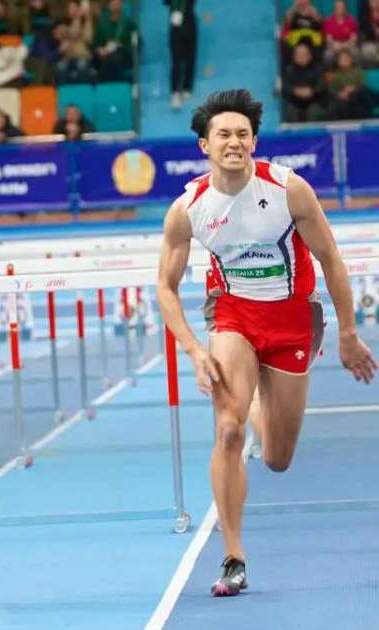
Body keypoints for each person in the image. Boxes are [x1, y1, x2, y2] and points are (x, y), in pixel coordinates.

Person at [155, 89, 375, 598]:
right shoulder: (188, 208)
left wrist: (347, 332)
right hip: (232, 315)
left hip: (292, 320)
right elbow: (165, 288)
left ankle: (253, 395)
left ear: (254, 141)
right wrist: (193, 348)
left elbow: (332, 259)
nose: (233, 142)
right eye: (223, 135)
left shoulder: (288, 190)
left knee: (277, 457)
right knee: (228, 432)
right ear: (204, 145)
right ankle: (233, 555)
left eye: (242, 134)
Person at [166, 0, 198, 109]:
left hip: (189, 23)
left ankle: (187, 88)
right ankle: (175, 92)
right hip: (175, 27)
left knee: (190, 57)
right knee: (176, 60)